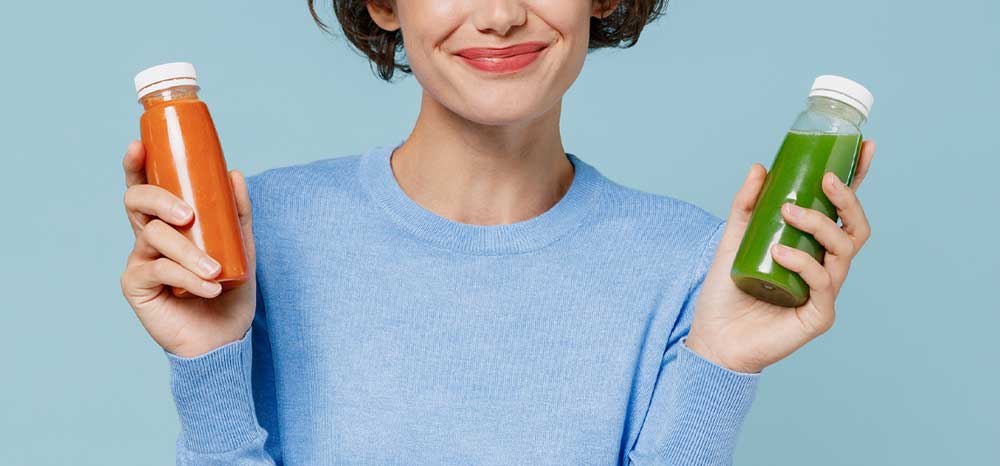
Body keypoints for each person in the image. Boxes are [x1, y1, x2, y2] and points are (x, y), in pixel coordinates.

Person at [119, 1, 876, 465]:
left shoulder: (694, 264)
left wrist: (723, 362)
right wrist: (207, 363)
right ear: (386, 3)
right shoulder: (257, 234)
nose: (502, 13)